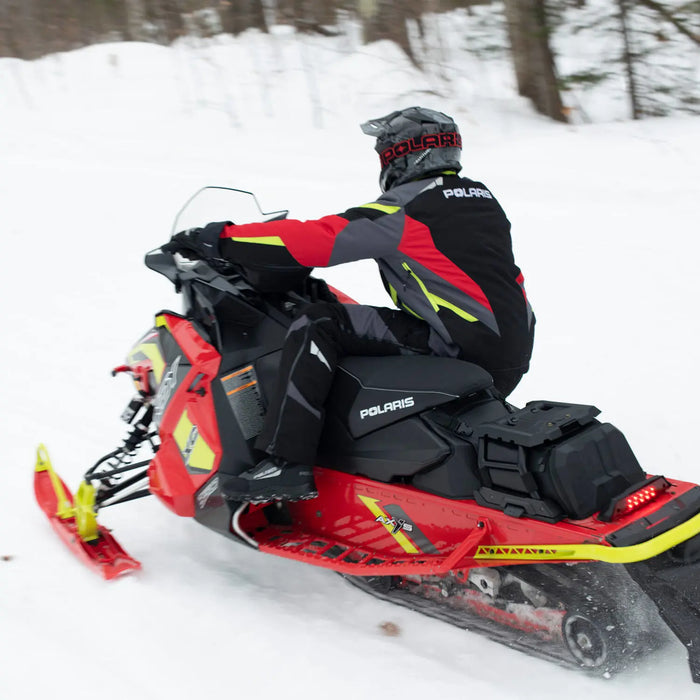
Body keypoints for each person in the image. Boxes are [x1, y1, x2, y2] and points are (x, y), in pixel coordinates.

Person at [164, 106, 535, 503]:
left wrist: (220, 238)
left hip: (457, 346)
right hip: (511, 350)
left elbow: (318, 239)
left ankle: (288, 464)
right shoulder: (480, 198)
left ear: (402, 156)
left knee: (316, 322)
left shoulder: (409, 208)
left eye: (385, 154)